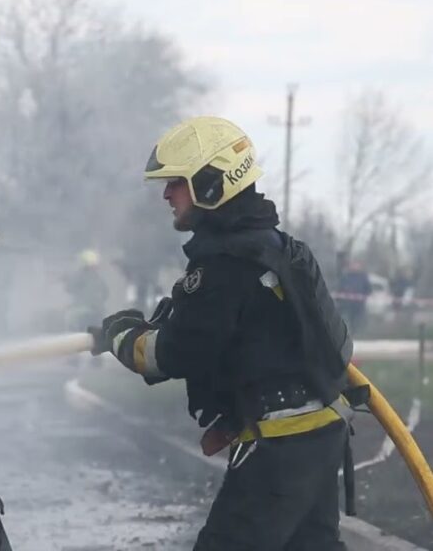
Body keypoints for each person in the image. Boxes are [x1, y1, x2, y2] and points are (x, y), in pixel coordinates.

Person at [89, 116, 354, 551]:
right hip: (321, 431)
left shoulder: (224, 265)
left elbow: (169, 355)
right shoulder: (279, 248)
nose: (166, 194)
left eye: (176, 182)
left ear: (211, 183)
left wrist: (120, 333)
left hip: (279, 444)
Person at [64, 249, 109, 331]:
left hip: (83, 310)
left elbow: (69, 288)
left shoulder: (80, 276)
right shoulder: (97, 278)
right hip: (97, 311)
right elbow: (105, 293)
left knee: (73, 322)